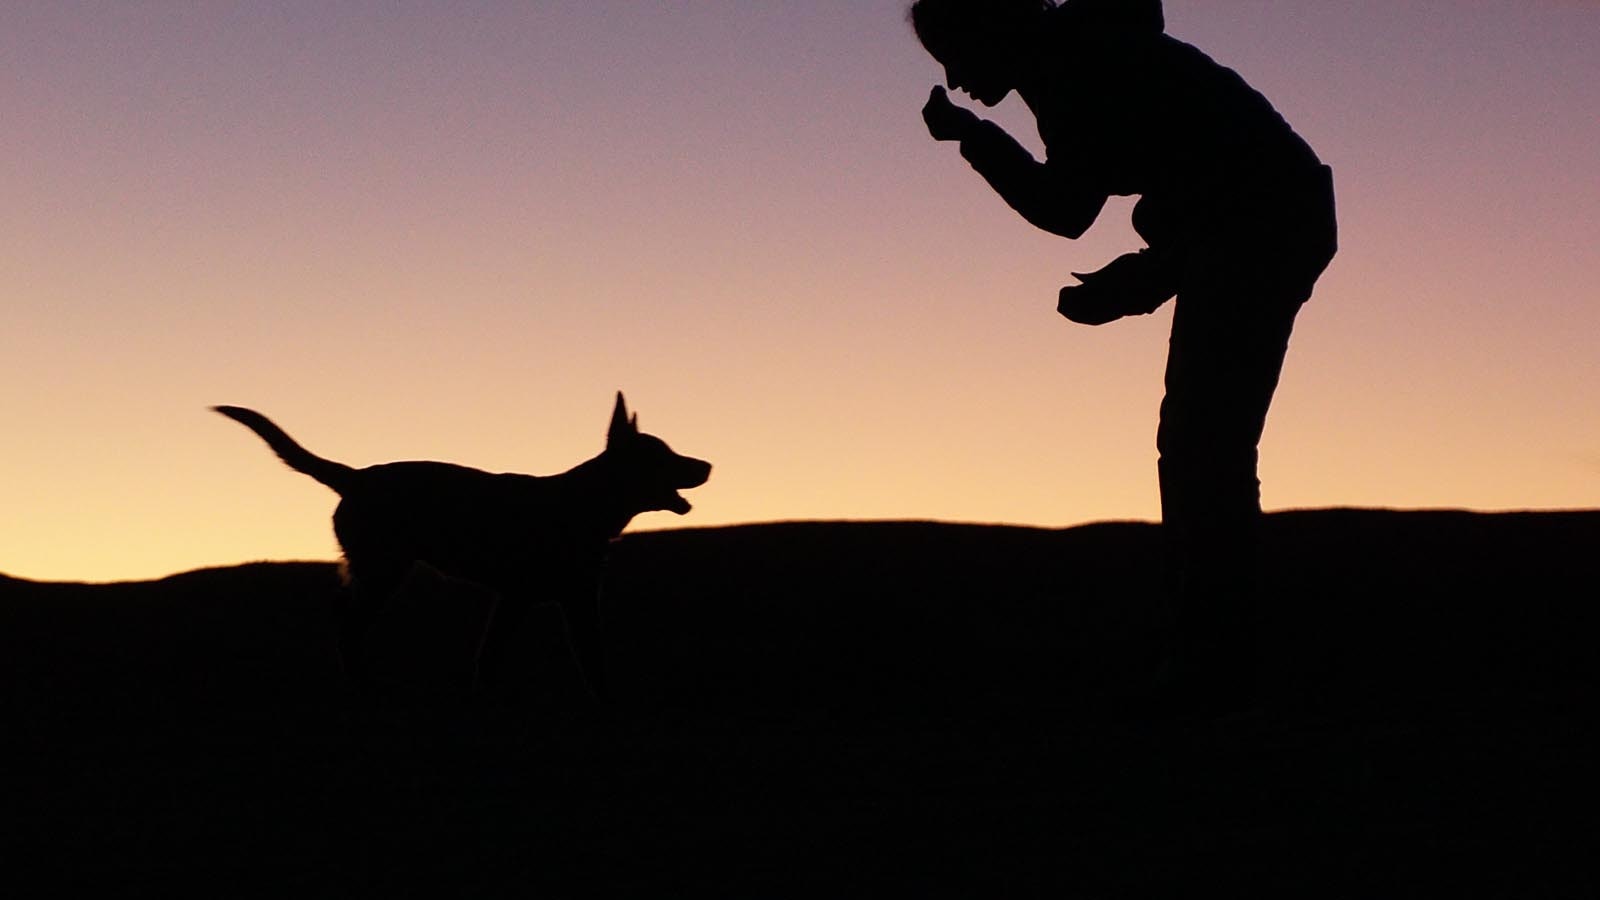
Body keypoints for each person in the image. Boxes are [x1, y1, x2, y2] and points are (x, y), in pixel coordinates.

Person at [911, 0, 1337, 711]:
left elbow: (1066, 208)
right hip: (1250, 220)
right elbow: (1184, 166)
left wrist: (970, 136)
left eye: (956, 57)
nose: (954, 80)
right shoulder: (1078, 54)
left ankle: (1215, 665)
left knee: (1205, 446)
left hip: (1259, 222)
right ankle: (1212, 652)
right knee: (1204, 445)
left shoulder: (1073, 66)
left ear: (991, 31)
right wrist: (1147, 276)